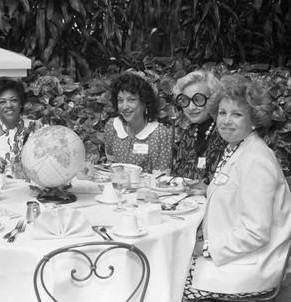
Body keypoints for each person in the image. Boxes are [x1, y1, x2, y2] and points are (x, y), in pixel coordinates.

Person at [183, 75, 291, 301]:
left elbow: (256, 232)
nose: (226, 121)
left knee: (169, 280)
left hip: (253, 266)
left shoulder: (256, 159)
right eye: (222, 113)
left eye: (237, 114)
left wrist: (203, 248)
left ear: (253, 120)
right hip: (235, 256)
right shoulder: (237, 147)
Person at [103, 72, 172, 173]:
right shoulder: (112, 127)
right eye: (120, 100)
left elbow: (162, 178)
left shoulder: (159, 133)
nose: (124, 106)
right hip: (117, 186)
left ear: (144, 103)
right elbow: (110, 164)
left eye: (131, 100)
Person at [172, 70, 227, 184]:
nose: (191, 107)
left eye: (198, 99)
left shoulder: (225, 134)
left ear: (212, 99)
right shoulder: (189, 133)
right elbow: (177, 175)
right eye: (185, 100)